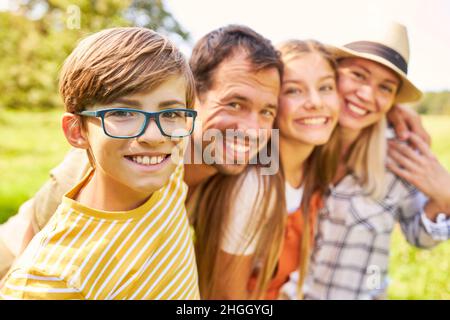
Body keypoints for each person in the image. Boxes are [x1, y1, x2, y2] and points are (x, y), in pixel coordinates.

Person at [0, 25, 285, 287]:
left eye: (267, 112)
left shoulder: (227, 178)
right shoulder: (106, 162)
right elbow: (38, 242)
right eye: (234, 103)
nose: (251, 129)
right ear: (193, 99)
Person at [0, 27, 199, 299]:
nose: (154, 136)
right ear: (77, 131)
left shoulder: (169, 176)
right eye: (123, 112)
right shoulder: (48, 278)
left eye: (171, 112)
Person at [281, 21, 450, 300]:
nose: (368, 95)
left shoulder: (396, 156)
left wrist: (444, 199)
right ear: (332, 74)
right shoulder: (299, 139)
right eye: (358, 75)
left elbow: (419, 236)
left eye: (385, 88)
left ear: (393, 101)